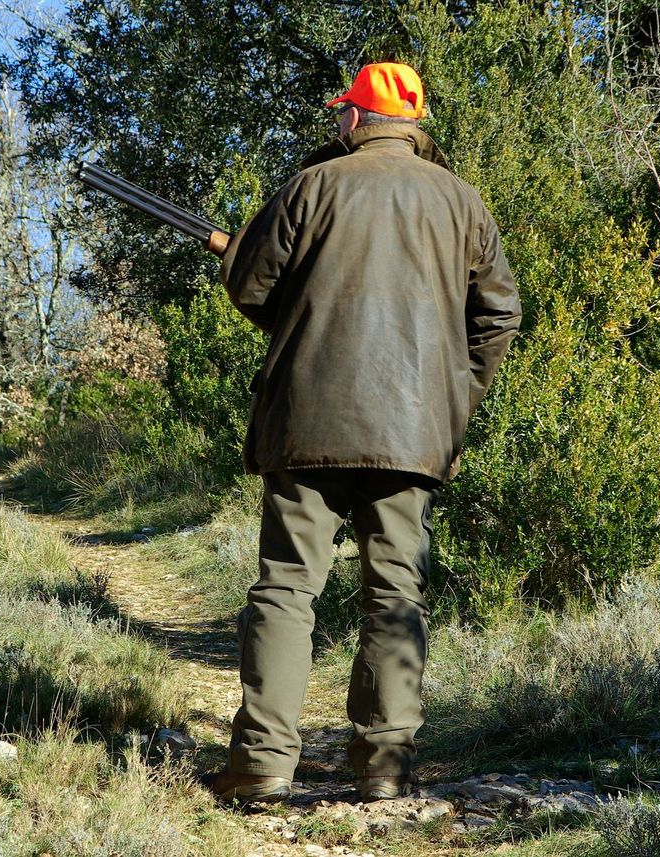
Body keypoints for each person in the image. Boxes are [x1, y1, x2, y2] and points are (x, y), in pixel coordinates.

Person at [202, 62, 521, 804]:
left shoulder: (313, 186)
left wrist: (296, 317)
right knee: (395, 594)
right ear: (414, 123)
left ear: (355, 119)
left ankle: (262, 766)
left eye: (342, 112)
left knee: (286, 589)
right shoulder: (464, 202)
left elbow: (252, 286)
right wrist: (453, 399)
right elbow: (499, 317)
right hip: (415, 433)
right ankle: (384, 765)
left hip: (306, 423)